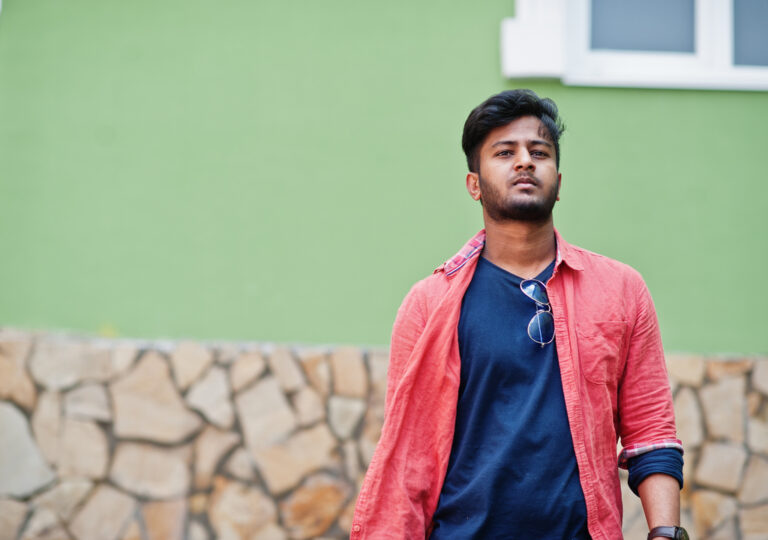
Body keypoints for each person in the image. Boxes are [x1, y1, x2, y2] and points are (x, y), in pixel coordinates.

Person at [350, 89, 686, 540]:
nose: (524, 162)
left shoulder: (621, 290)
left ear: (559, 181)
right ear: (474, 184)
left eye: (538, 152)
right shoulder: (428, 304)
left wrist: (666, 532)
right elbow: (408, 457)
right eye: (505, 152)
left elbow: (652, 433)